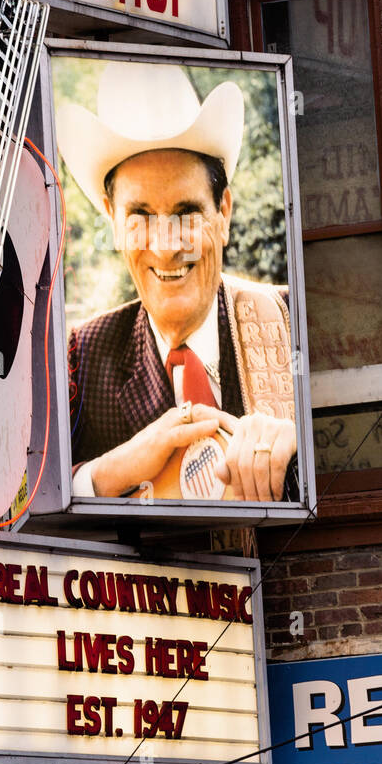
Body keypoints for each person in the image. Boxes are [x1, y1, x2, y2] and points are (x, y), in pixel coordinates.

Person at [57, 60, 298, 502]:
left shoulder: (293, 322)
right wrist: (107, 473)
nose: (166, 247)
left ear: (223, 212)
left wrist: (298, 446)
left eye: (187, 213)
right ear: (113, 221)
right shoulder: (82, 358)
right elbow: (21, 501)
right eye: (141, 216)